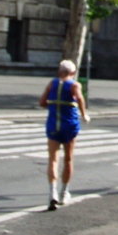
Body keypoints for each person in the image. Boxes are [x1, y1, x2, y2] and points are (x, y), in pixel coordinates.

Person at [39, 59, 89, 211]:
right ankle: (64, 192)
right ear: (73, 73)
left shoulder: (52, 83)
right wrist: (84, 114)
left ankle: (52, 192)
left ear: (59, 72)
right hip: (69, 126)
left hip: (54, 124)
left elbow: (42, 102)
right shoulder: (74, 85)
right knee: (68, 158)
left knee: (53, 159)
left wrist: (54, 106)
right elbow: (79, 98)